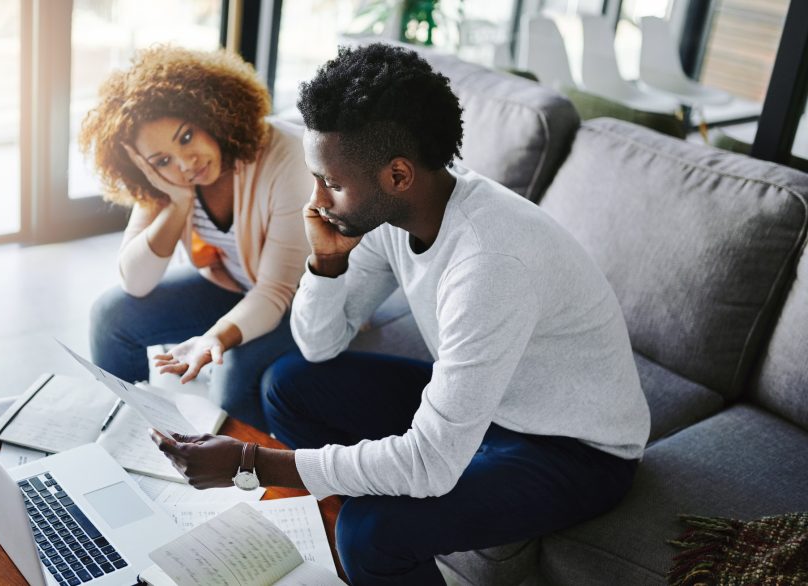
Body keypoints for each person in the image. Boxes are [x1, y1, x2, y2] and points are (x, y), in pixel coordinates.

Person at [148, 43, 651, 584]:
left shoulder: (488, 262)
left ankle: (368, 544)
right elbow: (320, 345)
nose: (315, 201)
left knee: (371, 532)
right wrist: (325, 264)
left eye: (331, 183)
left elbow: (433, 463)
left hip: (574, 450)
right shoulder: (395, 214)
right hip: (495, 407)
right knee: (289, 384)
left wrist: (251, 463)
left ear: (397, 175)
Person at [80, 45, 312, 430]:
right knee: (111, 315)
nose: (186, 163)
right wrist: (177, 202)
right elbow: (135, 282)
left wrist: (214, 339)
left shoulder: (286, 158)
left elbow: (275, 293)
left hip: (306, 304)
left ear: (211, 111)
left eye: (186, 137)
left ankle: (244, 485)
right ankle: (126, 440)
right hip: (238, 286)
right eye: (161, 160)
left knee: (230, 375)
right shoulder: (169, 183)